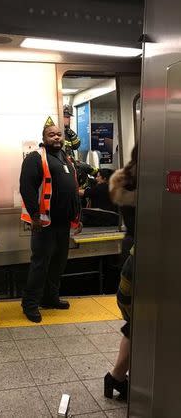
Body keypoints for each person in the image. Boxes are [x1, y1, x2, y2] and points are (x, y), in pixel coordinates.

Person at [20, 116, 82, 323]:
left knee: (58, 263)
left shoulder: (66, 158)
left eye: (58, 134)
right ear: (43, 138)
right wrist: (35, 216)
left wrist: (77, 216)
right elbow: (26, 188)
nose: (56, 137)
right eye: (51, 134)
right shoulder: (35, 158)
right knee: (40, 264)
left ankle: (50, 298)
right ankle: (29, 304)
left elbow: (73, 190)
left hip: (63, 222)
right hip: (44, 223)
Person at [104, 144, 138, 401]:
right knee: (140, 322)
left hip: (130, 250)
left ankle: (116, 377)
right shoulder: (155, 183)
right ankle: (116, 376)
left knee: (136, 322)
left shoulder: (124, 180)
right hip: (146, 256)